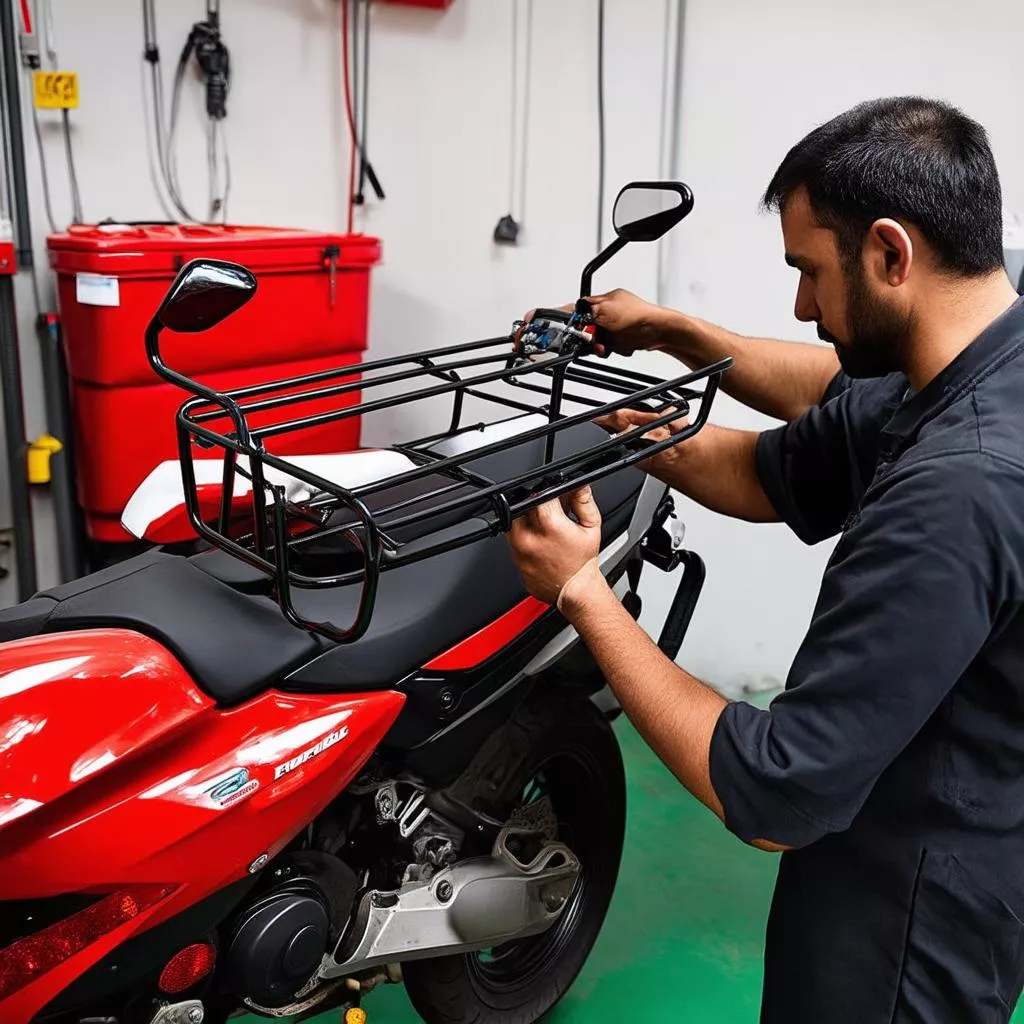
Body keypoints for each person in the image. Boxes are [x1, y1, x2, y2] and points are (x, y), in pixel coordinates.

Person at [507, 96, 1024, 1023]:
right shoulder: (974, 353)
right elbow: (770, 468)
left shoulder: (963, 489)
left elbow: (776, 793)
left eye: (810, 274)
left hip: (909, 917)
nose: (799, 305)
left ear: (891, 254)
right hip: (924, 819)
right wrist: (647, 419)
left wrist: (583, 593)